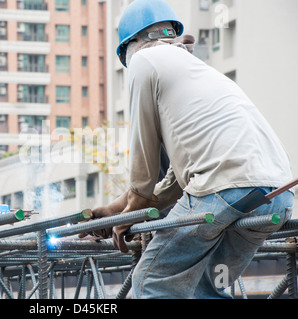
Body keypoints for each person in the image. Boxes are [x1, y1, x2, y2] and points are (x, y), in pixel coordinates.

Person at [81, 0, 295, 299]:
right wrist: (115, 210)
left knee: (151, 281)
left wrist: (128, 216)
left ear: (130, 45)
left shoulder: (144, 61)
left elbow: (143, 168)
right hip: (277, 195)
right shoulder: (201, 74)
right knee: (206, 287)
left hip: (223, 190)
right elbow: (175, 181)